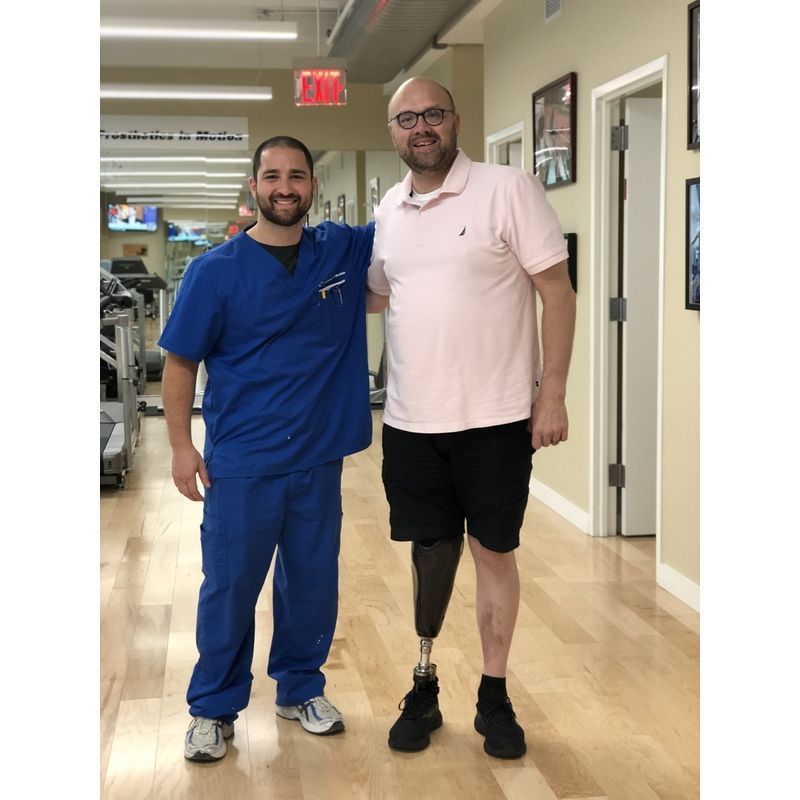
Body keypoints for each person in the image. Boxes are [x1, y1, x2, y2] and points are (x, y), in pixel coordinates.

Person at [366, 78, 576, 759]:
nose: (420, 127)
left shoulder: (508, 189)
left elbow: (557, 293)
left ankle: (494, 694)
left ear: (454, 121)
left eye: (432, 114)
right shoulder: (388, 209)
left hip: (495, 419)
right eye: (406, 118)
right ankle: (424, 686)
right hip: (410, 422)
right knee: (430, 555)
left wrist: (552, 394)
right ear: (393, 132)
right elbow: (376, 297)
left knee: (493, 552)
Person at [159, 135, 375, 762]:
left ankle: (301, 689)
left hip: (317, 457)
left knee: (312, 582)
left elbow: (413, 222)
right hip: (244, 460)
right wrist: (181, 445)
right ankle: (212, 707)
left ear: (312, 184)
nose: (285, 187)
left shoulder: (340, 250)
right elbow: (180, 364)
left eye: (297, 175)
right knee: (230, 588)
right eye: (273, 176)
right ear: (253, 186)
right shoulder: (214, 272)